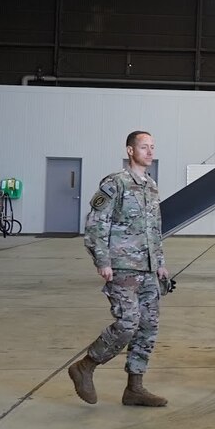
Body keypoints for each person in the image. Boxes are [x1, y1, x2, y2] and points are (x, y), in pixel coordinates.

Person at [68, 130, 170, 408]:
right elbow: (95, 225)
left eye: (152, 147)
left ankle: (134, 388)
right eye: (144, 147)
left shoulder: (151, 185)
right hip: (123, 267)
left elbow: (154, 230)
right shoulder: (115, 184)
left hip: (148, 269)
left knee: (148, 327)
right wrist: (102, 260)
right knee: (127, 323)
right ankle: (86, 366)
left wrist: (159, 264)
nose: (150, 152)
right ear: (130, 151)